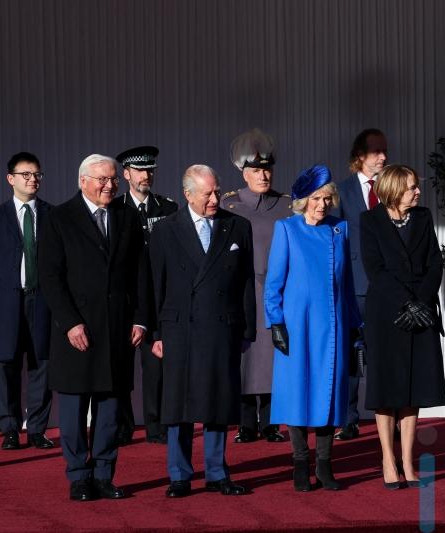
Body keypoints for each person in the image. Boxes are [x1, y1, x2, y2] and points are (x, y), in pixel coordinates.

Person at [38, 154, 149, 501]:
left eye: (114, 179)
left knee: (111, 407)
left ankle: (104, 474)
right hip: (76, 331)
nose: (109, 186)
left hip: (117, 327)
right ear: (83, 181)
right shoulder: (58, 218)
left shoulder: (127, 216)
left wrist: (141, 317)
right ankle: (79, 476)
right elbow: (50, 278)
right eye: (102, 179)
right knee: (73, 410)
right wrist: (71, 323)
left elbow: (140, 272)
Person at [149, 164, 256, 498]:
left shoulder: (237, 226)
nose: (214, 199)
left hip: (222, 326)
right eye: (207, 193)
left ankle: (216, 471)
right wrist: (156, 333)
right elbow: (155, 284)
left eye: (216, 191)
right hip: (180, 327)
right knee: (179, 403)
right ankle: (179, 474)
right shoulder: (166, 229)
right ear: (187, 194)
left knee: (218, 400)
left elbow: (245, 283)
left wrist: (247, 329)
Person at [264, 164, 361, 492]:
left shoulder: (339, 229)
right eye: (316, 198)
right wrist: (275, 322)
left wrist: (355, 323)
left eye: (327, 198)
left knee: (329, 393)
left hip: (332, 327)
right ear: (302, 200)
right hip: (296, 326)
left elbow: (346, 284)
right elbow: (274, 283)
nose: (323, 204)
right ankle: (300, 463)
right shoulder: (287, 229)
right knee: (297, 394)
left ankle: (324, 464)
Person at [360, 164, 445, 489]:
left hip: (421, 312)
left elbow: (435, 263)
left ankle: (408, 461)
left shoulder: (423, 217)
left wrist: (420, 302)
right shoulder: (369, 221)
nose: (417, 192)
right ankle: (387, 458)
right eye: (412, 187)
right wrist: (405, 302)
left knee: (413, 390)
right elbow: (375, 270)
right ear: (396, 189)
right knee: (387, 389)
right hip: (387, 312)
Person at [0, 152, 54, 451]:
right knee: (7, 366)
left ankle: (36, 429)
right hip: (8, 302)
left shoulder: (52, 214)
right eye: (26, 174)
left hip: (43, 301)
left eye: (37, 174)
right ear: (11, 178)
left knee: (42, 366)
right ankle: (9, 428)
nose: (32, 179)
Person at [223, 129, 290, 444]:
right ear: (243, 172)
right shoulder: (229, 205)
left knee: (275, 356)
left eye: (268, 169)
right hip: (242, 289)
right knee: (246, 354)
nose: (264, 175)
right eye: (256, 170)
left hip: (277, 292)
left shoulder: (286, 205)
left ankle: (272, 422)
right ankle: (246, 421)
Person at [113, 145, 178, 445]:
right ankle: (123, 426)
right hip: (125, 302)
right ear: (126, 174)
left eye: (150, 170)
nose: (146, 175)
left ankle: (157, 426)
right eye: (139, 170)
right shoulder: (114, 210)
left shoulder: (167, 208)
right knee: (120, 369)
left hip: (159, 299)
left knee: (157, 368)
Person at [332, 128, 388, 441]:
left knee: (383, 354)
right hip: (354, 287)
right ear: (359, 156)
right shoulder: (342, 191)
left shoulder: (393, 188)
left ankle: (387, 415)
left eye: (385, 151)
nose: (383, 157)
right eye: (376, 151)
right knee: (351, 356)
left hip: (386, 286)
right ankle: (349, 418)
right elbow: (336, 240)